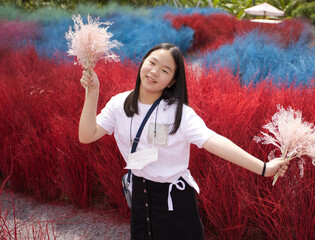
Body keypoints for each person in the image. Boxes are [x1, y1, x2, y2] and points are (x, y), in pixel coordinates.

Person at [79, 43, 288, 240]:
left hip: (174, 200)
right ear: (143, 62)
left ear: (171, 81)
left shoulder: (179, 113)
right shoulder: (119, 104)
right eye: (152, 63)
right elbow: (87, 135)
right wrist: (93, 93)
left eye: (165, 70)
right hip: (140, 197)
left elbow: (213, 141)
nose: (154, 72)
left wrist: (263, 168)